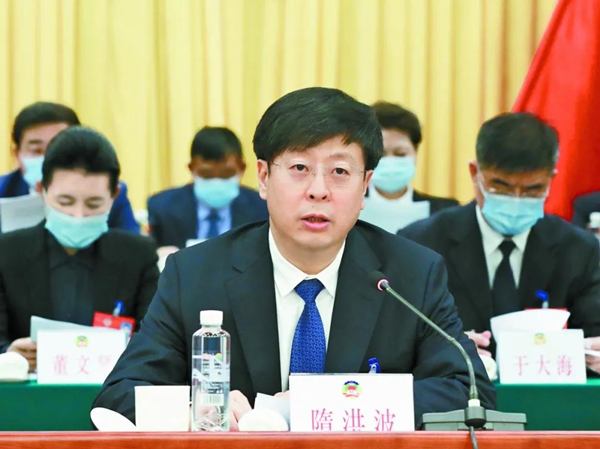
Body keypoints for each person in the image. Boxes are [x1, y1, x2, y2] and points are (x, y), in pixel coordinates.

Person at [93, 87, 495, 429]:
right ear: (264, 178)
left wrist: (324, 403)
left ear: (365, 186)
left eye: (340, 172)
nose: (319, 190)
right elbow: (120, 396)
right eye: (300, 167)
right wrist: (196, 409)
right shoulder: (195, 274)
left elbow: (470, 391)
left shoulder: (411, 274)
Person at [400, 112, 600, 369]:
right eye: (501, 186)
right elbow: (398, 338)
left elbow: (593, 332)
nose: (516, 199)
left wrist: (589, 350)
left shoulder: (580, 250)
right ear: (475, 173)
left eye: (532, 189)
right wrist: (438, 348)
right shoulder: (420, 244)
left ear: (551, 179)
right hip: (455, 389)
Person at [0, 126, 159, 371]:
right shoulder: (7, 253)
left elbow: (155, 343)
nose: (78, 215)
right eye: (65, 202)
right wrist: (9, 355)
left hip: (112, 390)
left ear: (114, 195)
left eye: (94, 204)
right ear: (42, 190)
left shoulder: (138, 255)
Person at [0, 102, 140, 233]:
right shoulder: (3, 190)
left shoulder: (105, 192)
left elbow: (130, 244)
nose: (48, 158)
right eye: (37, 150)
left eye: (57, 147)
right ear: (16, 154)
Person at [147, 126, 268, 249]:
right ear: (191, 168)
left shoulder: (263, 208)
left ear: (242, 168)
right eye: (206, 174)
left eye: (226, 173)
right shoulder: (162, 208)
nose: (216, 181)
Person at [368, 101, 459, 213]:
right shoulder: (349, 208)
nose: (390, 161)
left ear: (415, 152)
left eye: (400, 154)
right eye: (380, 154)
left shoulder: (446, 211)